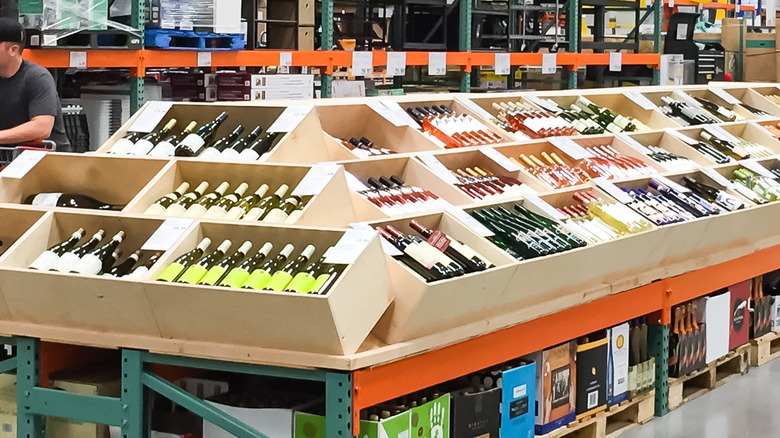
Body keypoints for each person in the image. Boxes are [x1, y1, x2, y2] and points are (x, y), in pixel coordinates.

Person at [0, 18, 69, 150]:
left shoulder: (37, 78)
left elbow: (42, 128)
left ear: (13, 50)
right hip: (7, 157)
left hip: (43, 162)